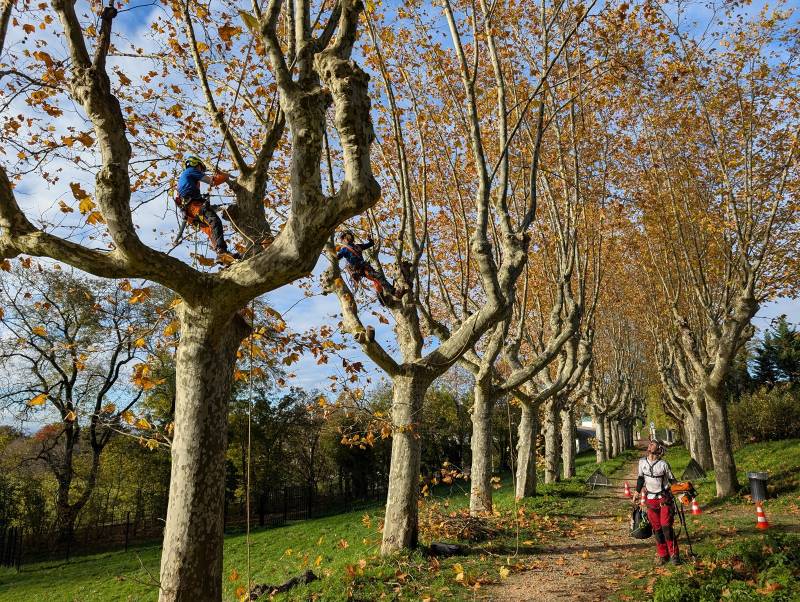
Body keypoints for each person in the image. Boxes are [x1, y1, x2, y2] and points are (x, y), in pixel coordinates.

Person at [175, 156, 240, 260]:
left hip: (190, 213)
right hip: (193, 207)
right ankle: (222, 251)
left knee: (211, 229)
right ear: (195, 164)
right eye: (201, 168)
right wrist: (225, 176)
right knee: (215, 221)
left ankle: (222, 256)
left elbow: (187, 195)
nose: (201, 171)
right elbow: (213, 181)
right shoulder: (191, 170)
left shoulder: (186, 179)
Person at [634, 439, 681, 565]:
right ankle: (663, 555)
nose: (650, 444)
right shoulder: (642, 462)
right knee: (657, 529)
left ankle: (674, 555)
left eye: (653, 443)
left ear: (659, 449)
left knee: (666, 527)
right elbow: (640, 478)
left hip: (664, 499)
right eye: (650, 443)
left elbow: (672, 481)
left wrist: (681, 493)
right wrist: (637, 492)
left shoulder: (663, 464)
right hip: (650, 500)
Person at [336, 231, 405, 301]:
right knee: (378, 277)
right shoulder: (344, 249)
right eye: (346, 237)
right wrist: (333, 253)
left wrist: (370, 239)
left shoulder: (358, 246)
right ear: (344, 239)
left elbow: (371, 244)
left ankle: (383, 300)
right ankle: (395, 293)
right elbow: (337, 257)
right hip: (359, 269)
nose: (348, 238)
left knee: (377, 281)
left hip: (365, 267)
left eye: (348, 236)